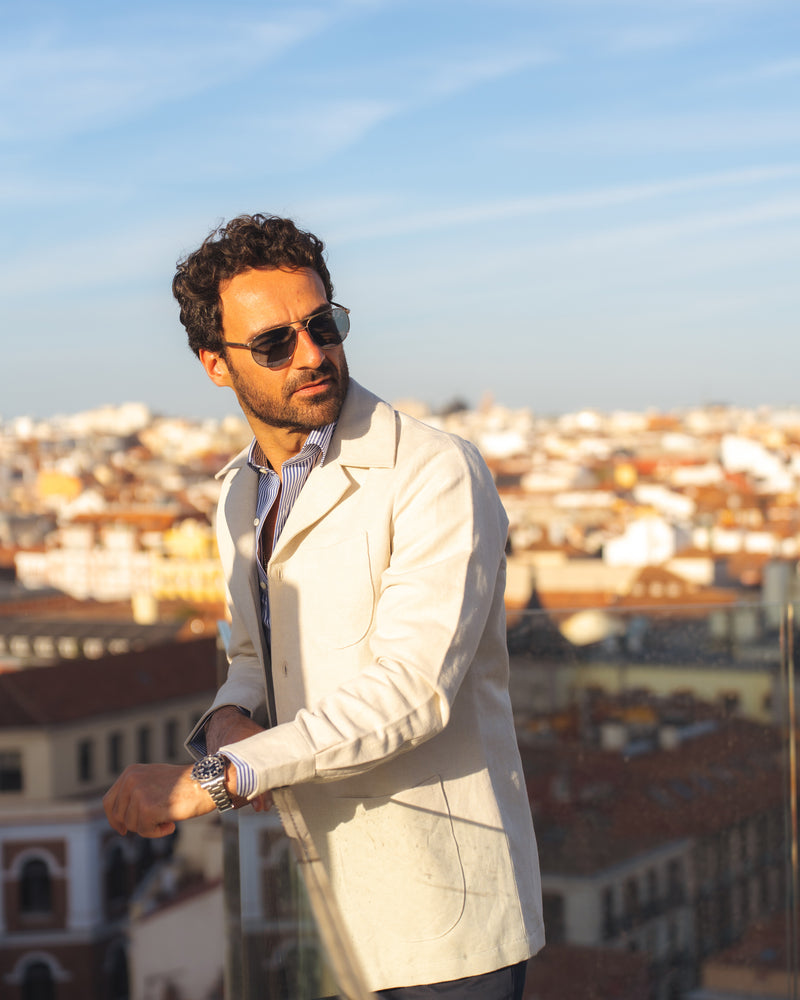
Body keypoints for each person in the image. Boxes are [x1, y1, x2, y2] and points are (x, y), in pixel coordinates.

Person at [104, 214, 544, 998]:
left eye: (323, 325)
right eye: (275, 342)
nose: (312, 354)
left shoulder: (433, 470)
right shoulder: (240, 492)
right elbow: (252, 653)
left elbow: (414, 691)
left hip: (444, 920)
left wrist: (215, 778)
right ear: (215, 364)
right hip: (324, 898)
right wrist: (230, 715)